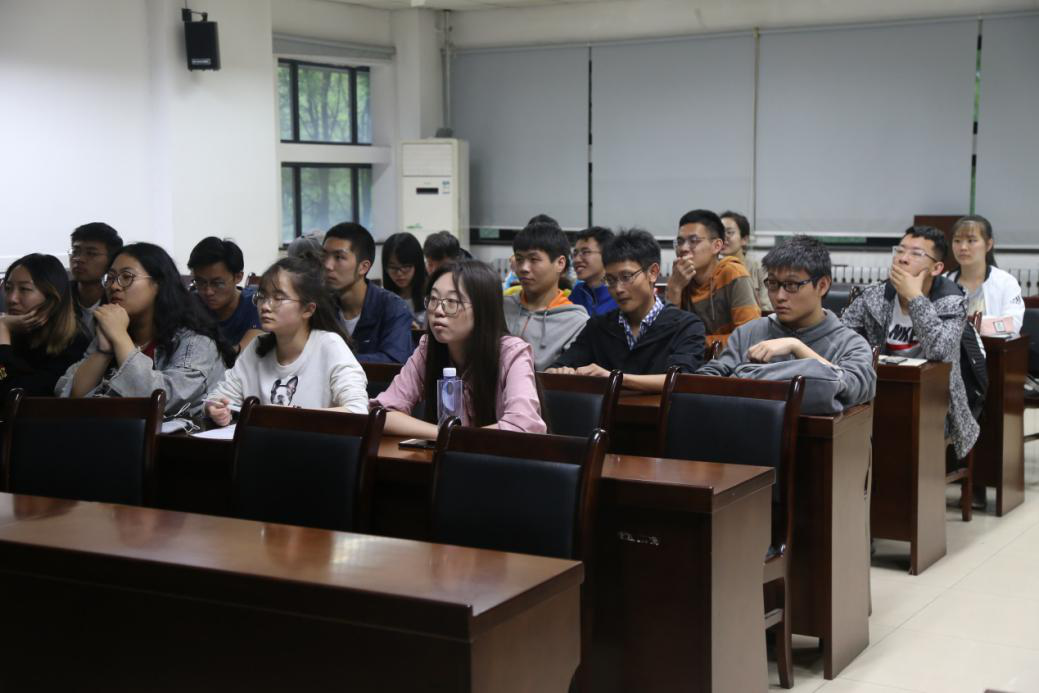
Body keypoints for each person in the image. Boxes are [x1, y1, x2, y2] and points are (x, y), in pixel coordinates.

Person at [842, 226, 979, 460]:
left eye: (916, 254)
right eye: (900, 250)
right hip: (880, 393)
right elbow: (842, 337)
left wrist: (915, 297)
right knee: (844, 422)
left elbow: (939, 351)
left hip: (937, 403)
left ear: (936, 268)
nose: (903, 258)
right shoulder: (874, 295)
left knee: (897, 428)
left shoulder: (952, 301)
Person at [697, 236, 876, 414]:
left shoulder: (851, 344)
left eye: (791, 285)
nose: (779, 296)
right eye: (773, 283)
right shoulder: (748, 333)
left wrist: (796, 346)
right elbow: (706, 382)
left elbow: (852, 388)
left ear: (822, 285)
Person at [55, 242, 233, 418]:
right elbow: (69, 398)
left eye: (127, 277)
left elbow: (160, 400)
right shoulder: (113, 333)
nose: (114, 286)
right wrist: (103, 352)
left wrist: (120, 337)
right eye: (110, 278)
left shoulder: (195, 341)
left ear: (158, 284)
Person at [372, 259, 546, 437]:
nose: (438, 311)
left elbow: (523, 425)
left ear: (482, 308)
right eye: (433, 299)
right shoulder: (428, 348)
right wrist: (444, 435)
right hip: (445, 453)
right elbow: (382, 413)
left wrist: (453, 438)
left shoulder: (512, 353)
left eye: (452, 302)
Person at [204, 257, 368, 425]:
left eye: (278, 298)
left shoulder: (329, 346)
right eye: (262, 296)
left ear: (307, 309)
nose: (265, 306)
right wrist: (216, 409)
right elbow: (219, 397)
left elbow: (358, 411)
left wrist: (292, 418)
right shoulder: (258, 346)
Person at [548, 230, 705, 392]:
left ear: (652, 273)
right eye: (610, 280)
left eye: (626, 277)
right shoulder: (598, 327)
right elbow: (561, 365)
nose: (618, 289)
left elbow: (681, 381)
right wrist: (559, 372)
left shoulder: (686, 326)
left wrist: (615, 378)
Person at [503, 218, 588, 371]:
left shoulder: (576, 323)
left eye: (534, 259)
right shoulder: (501, 307)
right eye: (519, 259)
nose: (523, 268)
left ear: (560, 263)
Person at [665, 209, 761, 346]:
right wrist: (675, 289)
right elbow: (667, 337)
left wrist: (696, 344)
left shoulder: (733, 273)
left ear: (716, 246)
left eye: (693, 241)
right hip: (691, 357)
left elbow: (750, 338)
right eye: (680, 242)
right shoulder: (680, 279)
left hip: (729, 359)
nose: (684, 248)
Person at [0, 254, 90, 399]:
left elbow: (9, 392)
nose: (11, 298)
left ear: (51, 297)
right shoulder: (11, 330)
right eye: (8, 288)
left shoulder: (74, 343)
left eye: (24, 289)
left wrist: (2, 332)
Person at [322, 222, 413, 364]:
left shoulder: (393, 308)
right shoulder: (320, 307)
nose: (327, 265)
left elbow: (394, 361)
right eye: (324, 256)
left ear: (363, 267)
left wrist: (336, 361)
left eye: (339, 257)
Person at [944, 215, 1024, 335]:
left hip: (992, 346)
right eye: (957, 241)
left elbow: (1013, 324)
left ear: (988, 244)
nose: (963, 247)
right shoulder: (943, 281)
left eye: (971, 241)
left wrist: (974, 325)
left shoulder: (1006, 282)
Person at [187, 237, 263, 356]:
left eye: (217, 283)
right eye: (200, 282)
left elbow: (242, 355)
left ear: (238, 277)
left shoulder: (255, 304)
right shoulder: (192, 304)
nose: (208, 292)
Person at [69, 222, 123, 337]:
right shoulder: (59, 297)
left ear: (111, 260)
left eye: (91, 253)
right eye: (75, 251)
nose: (79, 259)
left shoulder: (118, 300)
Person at [720, 210, 771, 311]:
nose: (723, 238)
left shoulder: (759, 267)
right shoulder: (713, 268)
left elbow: (767, 307)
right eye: (720, 232)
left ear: (744, 239)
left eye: (729, 232)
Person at [382, 232, 429, 328]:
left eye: (406, 266)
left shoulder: (431, 294)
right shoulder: (382, 298)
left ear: (417, 265)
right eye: (393, 267)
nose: (399, 273)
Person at [570, 226, 618, 317]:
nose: (576, 260)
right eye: (575, 254)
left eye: (585, 252)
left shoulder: (620, 294)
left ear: (606, 255)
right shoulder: (578, 292)